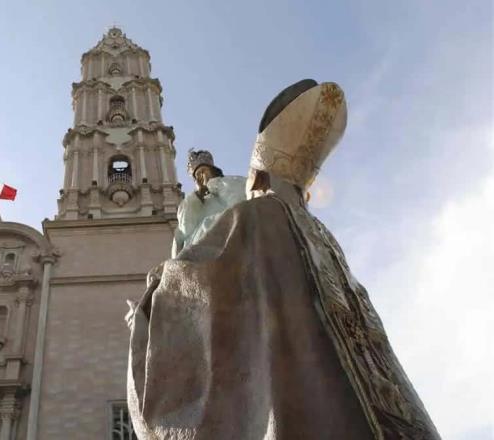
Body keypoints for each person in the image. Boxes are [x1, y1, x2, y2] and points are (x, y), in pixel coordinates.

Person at [126, 80, 440, 439]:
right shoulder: (188, 206)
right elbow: (180, 246)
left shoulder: (229, 185)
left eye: (204, 169)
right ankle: (275, 182)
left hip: (243, 227)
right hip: (208, 252)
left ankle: (275, 181)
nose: (201, 174)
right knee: (245, 234)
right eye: (196, 171)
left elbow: (243, 205)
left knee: (269, 219)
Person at [172, 150, 247, 257]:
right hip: (203, 250)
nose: (200, 177)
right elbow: (185, 229)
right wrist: (198, 195)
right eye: (197, 175)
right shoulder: (191, 202)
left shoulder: (229, 183)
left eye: (203, 171)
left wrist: (214, 184)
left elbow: (240, 201)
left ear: (213, 171)